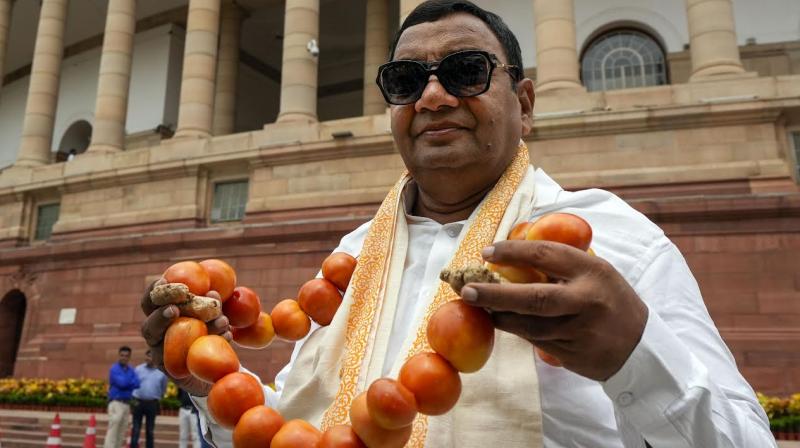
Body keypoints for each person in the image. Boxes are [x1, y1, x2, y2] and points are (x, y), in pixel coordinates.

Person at [140, 1, 777, 447]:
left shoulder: (609, 241)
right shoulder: (354, 256)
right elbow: (295, 427)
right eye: (406, 80)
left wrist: (634, 353)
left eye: (467, 72)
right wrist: (208, 381)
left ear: (523, 104)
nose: (434, 97)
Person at [130, 349, 167, 448]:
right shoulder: (138, 369)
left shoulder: (161, 373)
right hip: (138, 402)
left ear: (155, 358)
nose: (148, 358)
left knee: (150, 430)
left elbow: (163, 388)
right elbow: (132, 385)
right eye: (147, 356)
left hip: (152, 404)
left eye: (150, 356)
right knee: (136, 429)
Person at [104, 346, 139, 448]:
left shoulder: (131, 369)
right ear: (119, 355)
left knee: (121, 432)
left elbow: (137, 383)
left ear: (129, 357)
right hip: (116, 403)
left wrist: (127, 381)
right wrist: (129, 381)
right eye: (122, 355)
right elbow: (122, 383)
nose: (124, 357)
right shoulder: (114, 369)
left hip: (127, 404)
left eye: (126, 356)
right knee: (113, 432)